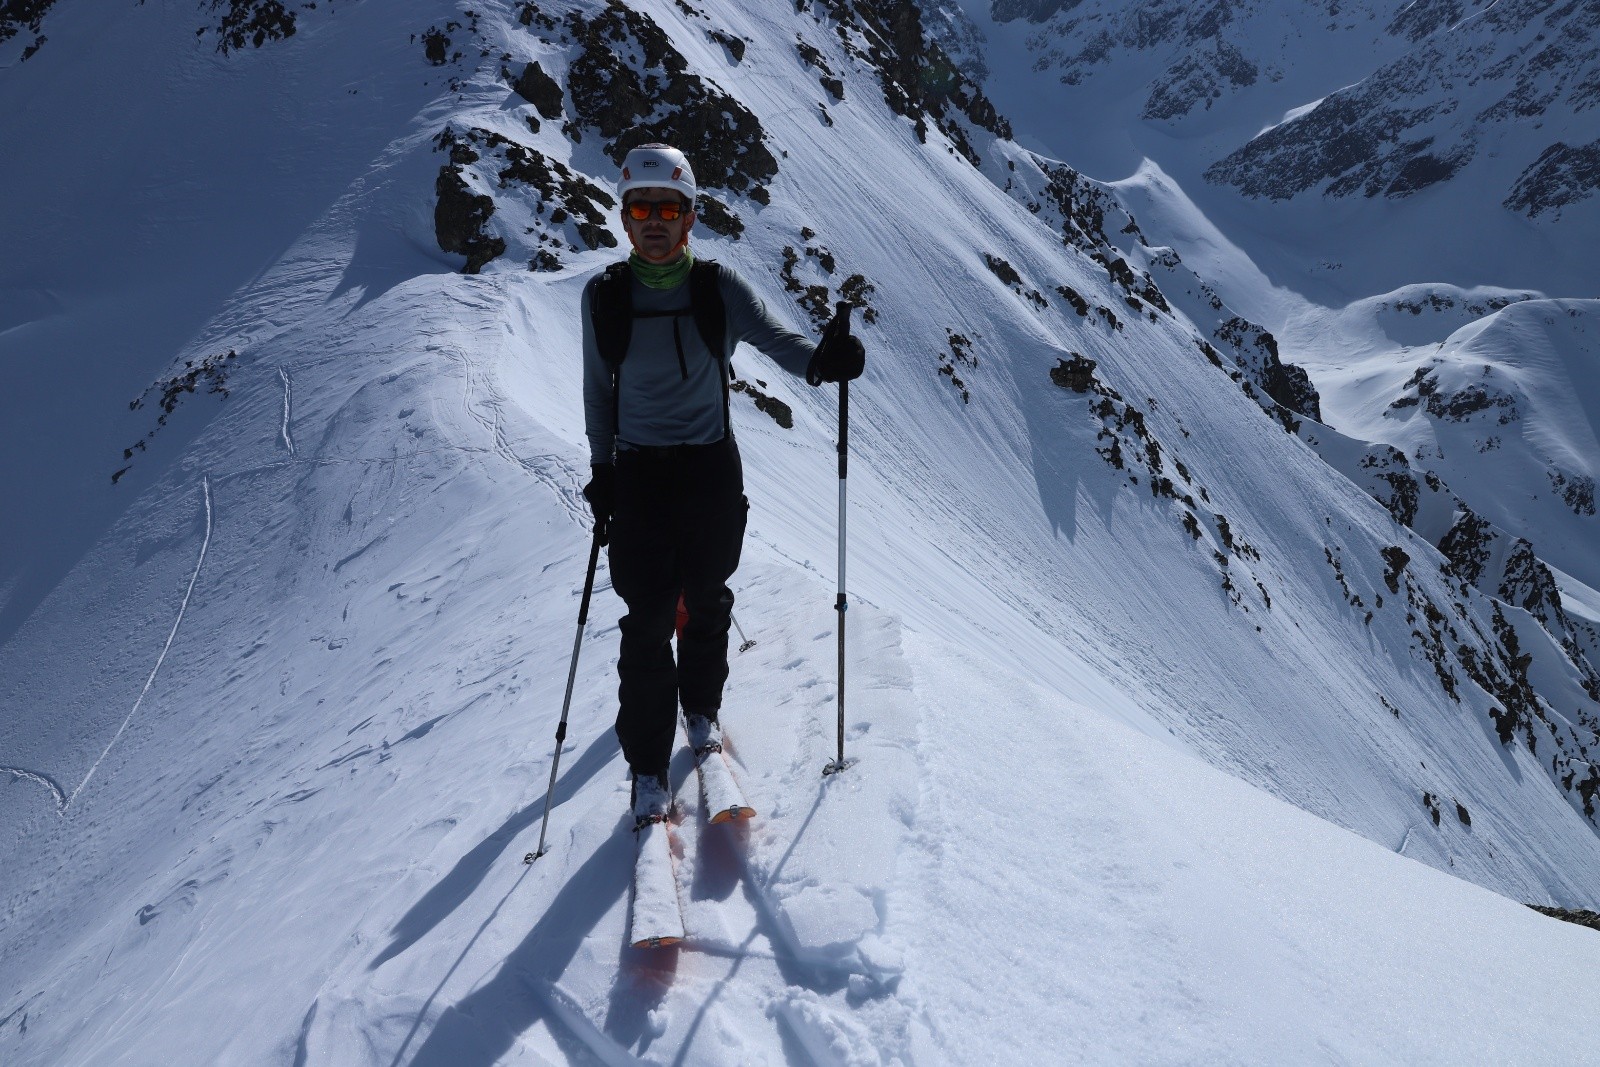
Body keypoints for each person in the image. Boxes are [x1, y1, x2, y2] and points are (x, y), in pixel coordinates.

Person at [580, 143, 864, 827]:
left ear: (689, 217)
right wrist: (602, 472)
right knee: (647, 623)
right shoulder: (605, 296)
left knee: (707, 601)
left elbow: (777, 341)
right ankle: (648, 765)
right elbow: (598, 391)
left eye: (667, 208)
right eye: (640, 209)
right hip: (639, 476)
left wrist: (825, 362)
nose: (654, 221)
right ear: (624, 218)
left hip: (709, 471)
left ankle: (701, 708)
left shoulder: (717, 288)